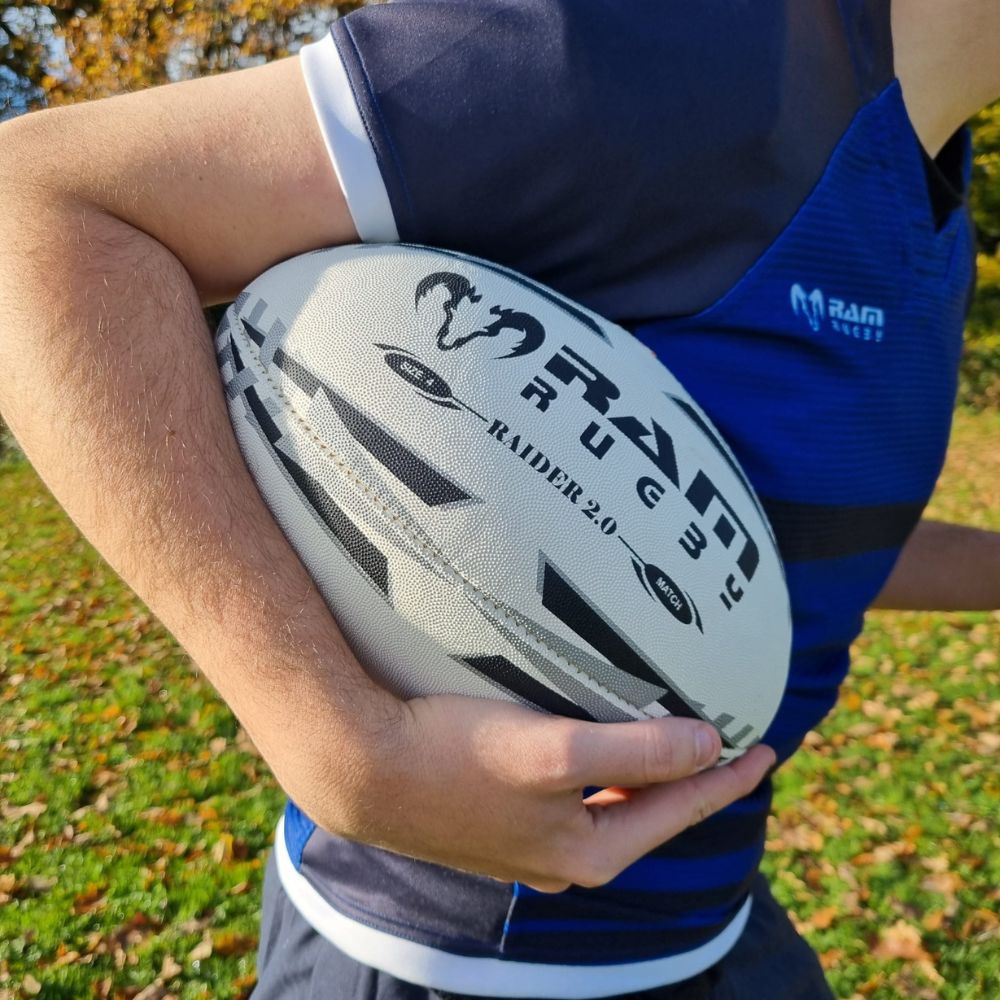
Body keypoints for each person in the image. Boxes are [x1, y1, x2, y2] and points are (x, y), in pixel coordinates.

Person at [0, 1, 997, 997]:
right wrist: (331, 735)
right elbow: (36, 206)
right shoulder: (653, 50)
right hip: (442, 957)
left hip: (716, 926)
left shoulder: (930, 198)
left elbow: (797, 545)